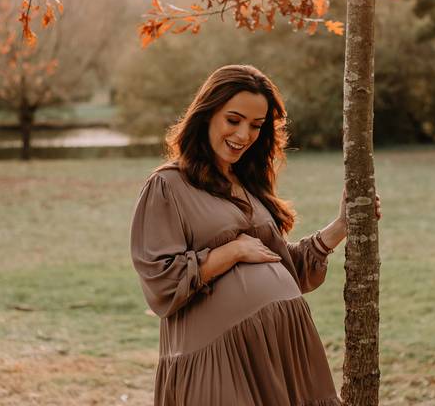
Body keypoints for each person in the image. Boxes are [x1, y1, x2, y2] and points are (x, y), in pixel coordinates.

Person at [129, 64, 381, 406]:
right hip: (220, 358)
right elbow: (162, 282)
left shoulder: (247, 184)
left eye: (256, 126)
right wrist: (231, 252)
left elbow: (282, 263)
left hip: (283, 348)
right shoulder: (167, 186)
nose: (244, 135)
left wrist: (339, 228)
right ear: (206, 114)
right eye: (233, 120)